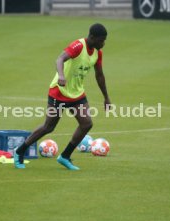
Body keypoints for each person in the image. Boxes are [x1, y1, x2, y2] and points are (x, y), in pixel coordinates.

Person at [14, 23, 111, 170]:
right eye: (101, 40)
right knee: (48, 127)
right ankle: (19, 151)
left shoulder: (98, 53)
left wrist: (106, 97)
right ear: (92, 37)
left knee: (87, 123)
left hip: (77, 94)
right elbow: (59, 59)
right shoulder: (78, 46)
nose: (103, 43)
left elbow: (99, 75)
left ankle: (64, 156)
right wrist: (61, 75)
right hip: (59, 92)